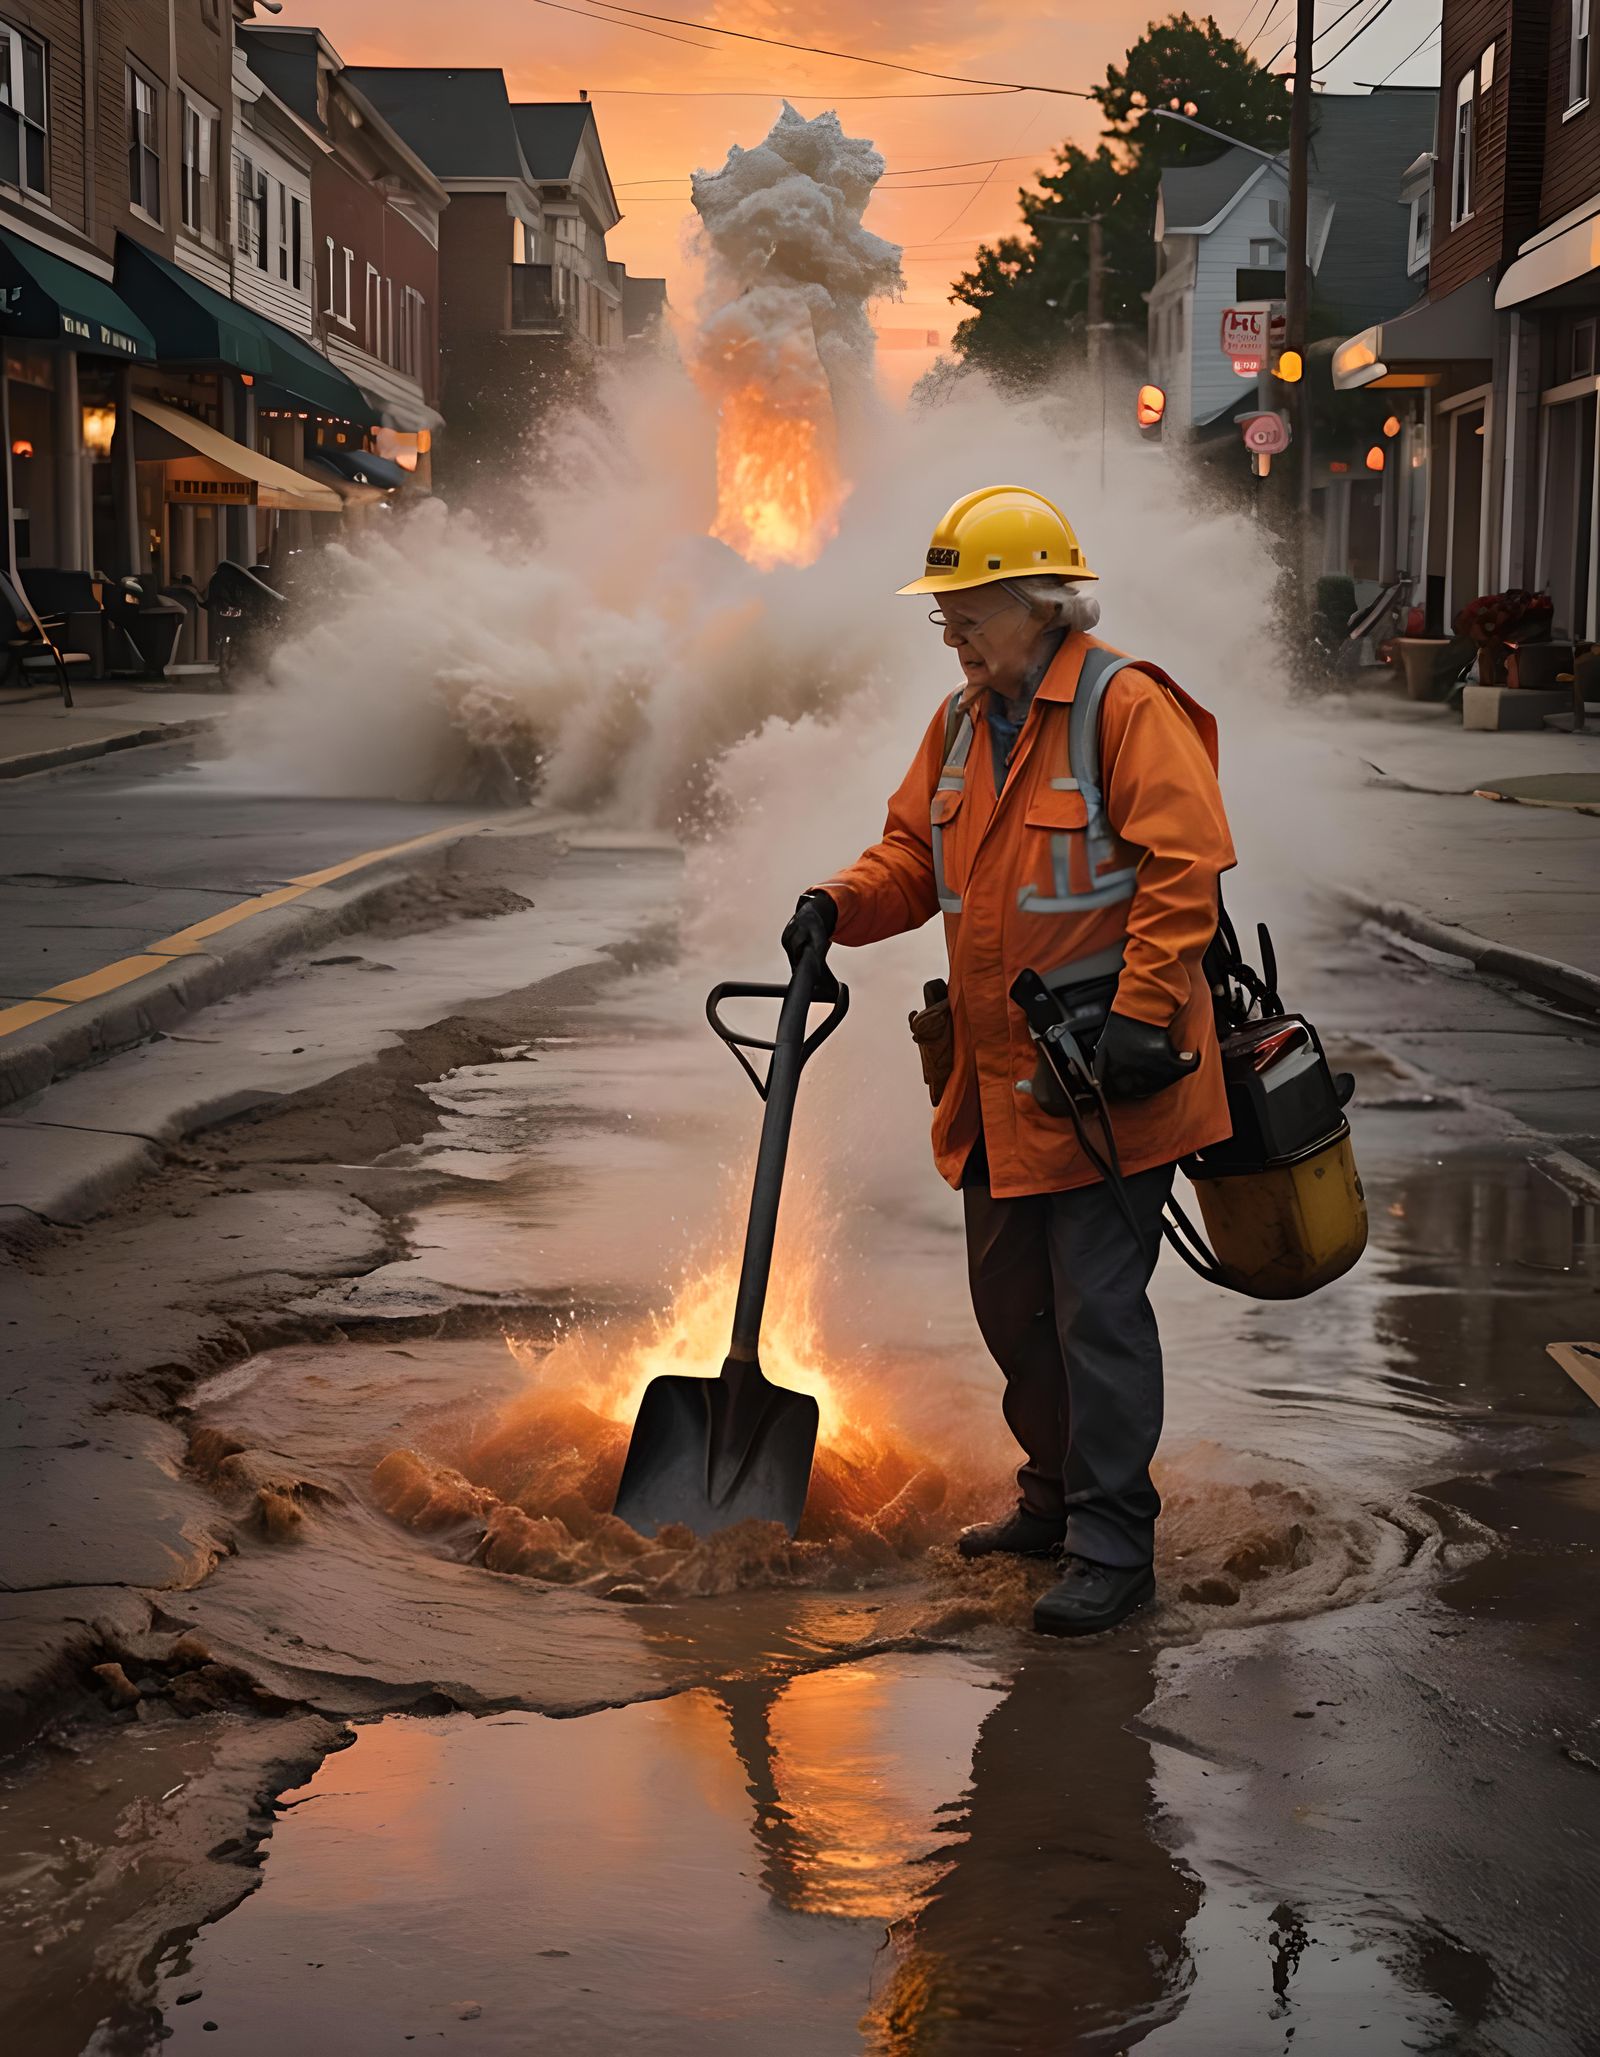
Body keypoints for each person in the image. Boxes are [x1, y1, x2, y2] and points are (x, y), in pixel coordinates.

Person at [783, 485, 1236, 1636]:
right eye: (942, 608)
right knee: (1013, 1310)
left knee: (1096, 1310)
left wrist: (1142, 1015)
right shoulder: (957, 723)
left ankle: (1112, 1543)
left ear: (1038, 601)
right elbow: (908, 852)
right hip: (999, 1082)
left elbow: (1185, 863)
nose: (947, 626)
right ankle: (1052, 1498)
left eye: (966, 605)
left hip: (1107, 1077)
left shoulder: (1122, 704)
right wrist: (835, 905)